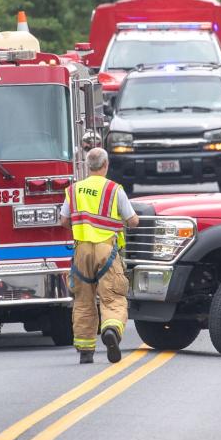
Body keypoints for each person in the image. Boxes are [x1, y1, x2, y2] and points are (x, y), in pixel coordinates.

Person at [59, 147, 139, 364]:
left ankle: (86, 351)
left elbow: (63, 220)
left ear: (87, 165)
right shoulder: (114, 189)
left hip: (82, 251)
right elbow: (132, 220)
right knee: (112, 296)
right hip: (107, 251)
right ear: (106, 165)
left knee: (83, 300)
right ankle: (111, 329)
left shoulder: (74, 190)